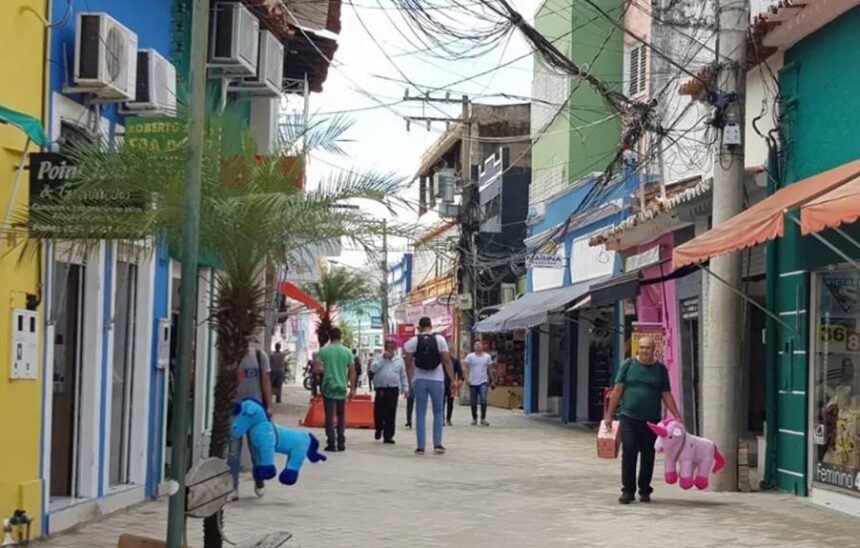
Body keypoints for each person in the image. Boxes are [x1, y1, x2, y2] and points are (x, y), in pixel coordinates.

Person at [604, 335, 681, 504]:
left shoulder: (660, 370)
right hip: (629, 418)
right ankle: (628, 491)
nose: (645, 351)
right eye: (642, 347)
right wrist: (609, 414)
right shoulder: (628, 365)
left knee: (648, 454)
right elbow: (617, 390)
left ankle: (645, 490)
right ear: (638, 348)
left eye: (649, 348)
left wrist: (677, 415)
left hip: (651, 420)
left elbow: (666, 394)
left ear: (655, 350)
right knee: (629, 451)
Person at [228, 334, 274, 500]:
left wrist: (268, 406)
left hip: (256, 412)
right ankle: (233, 487)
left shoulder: (259, 357)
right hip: (236, 410)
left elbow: (266, 381)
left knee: (256, 450)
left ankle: (259, 479)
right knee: (233, 452)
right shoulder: (230, 358)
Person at [403, 317, 456, 455]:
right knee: (438, 412)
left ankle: (421, 446)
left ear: (419, 327)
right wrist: (452, 380)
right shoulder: (440, 340)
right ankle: (437, 444)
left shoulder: (413, 342)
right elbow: (447, 361)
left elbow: (408, 364)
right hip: (437, 379)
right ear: (431, 326)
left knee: (420, 412)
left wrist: (409, 382)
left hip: (419, 379)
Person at [316, 329, 357, 452]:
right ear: (341, 336)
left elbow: (317, 369)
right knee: (341, 415)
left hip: (328, 387)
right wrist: (353, 388)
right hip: (342, 387)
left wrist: (327, 370)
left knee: (329, 415)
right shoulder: (347, 352)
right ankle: (341, 442)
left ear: (329, 337)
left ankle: (331, 442)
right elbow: (352, 371)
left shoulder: (324, 351)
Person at [370, 340, 409, 444]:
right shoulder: (378, 358)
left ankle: (388, 435)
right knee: (379, 412)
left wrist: (406, 388)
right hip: (381, 388)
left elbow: (403, 375)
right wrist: (383, 359)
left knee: (391, 413)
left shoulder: (399, 360)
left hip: (393, 389)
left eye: (392, 347)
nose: (390, 350)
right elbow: (373, 369)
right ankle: (379, 428)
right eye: (388, 347)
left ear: (395, 349)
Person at [463, 340, 494, 426]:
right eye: (476, 345)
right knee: (473, 401)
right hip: (472, 381)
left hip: (483, 381)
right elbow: (464, 366)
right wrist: (466, 378)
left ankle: (483, 418)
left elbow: (490, 369)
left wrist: (492, 379)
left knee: (483, 400)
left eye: (479, 344)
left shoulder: (487, 357)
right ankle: (474, 418)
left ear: (482, 346)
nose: (478, 346)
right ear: (473, 347)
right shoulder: (470, 356)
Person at [444, 355, 464, 426]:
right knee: (441, 402)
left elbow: (460, 371)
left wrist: (460, 379)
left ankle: (448, 419)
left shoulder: (455, 361)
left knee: (450, 402)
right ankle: (441, 419)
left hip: (451, 384)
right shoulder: (440, 360)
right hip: (441, 383)